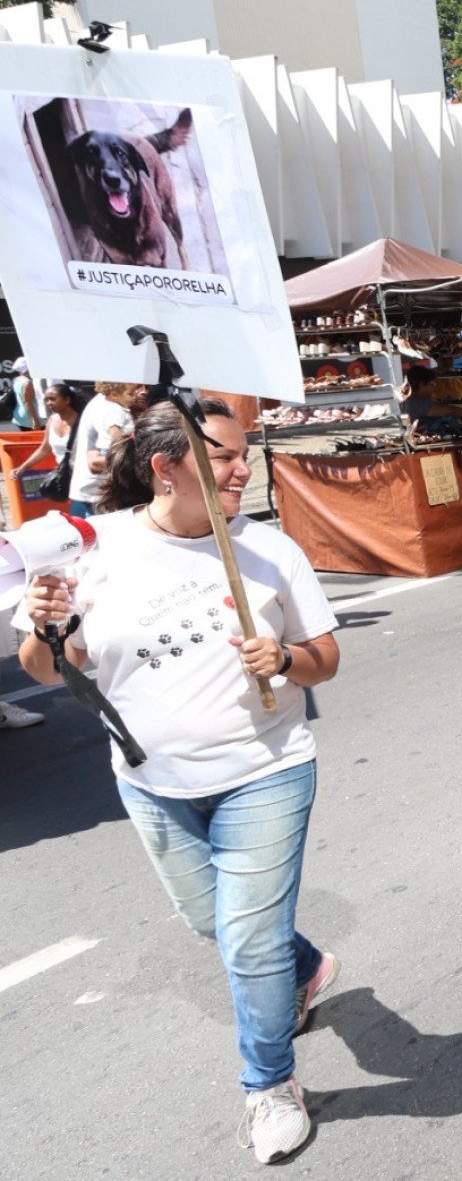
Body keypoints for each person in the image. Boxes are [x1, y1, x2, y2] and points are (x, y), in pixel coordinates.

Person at [15, 399, 342, 1164]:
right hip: (150, 782)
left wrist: (285, 660)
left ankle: (269, 1083)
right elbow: (50, 669)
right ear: (166, 468)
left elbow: (325, 654)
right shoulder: (98, 549)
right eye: (225, 456)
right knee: (216, 924)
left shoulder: (269, 550)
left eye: (245, 454)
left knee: (248, 941)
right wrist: (44, 626)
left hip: (266, 770)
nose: (243, 469)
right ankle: (308, 967)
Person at [66, 381, 137, 515]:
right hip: (98, 489)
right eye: (131, 393)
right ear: (115, 394)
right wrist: (127, 449)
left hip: (96, 487)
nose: (135, 396)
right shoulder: (112, 409)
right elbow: (114, 434)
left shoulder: (107, 403)